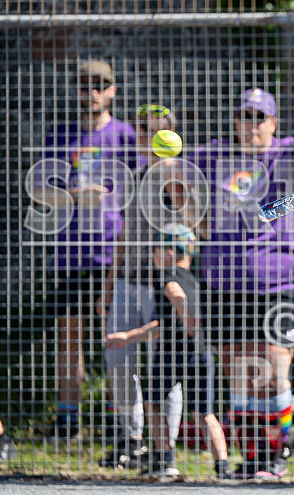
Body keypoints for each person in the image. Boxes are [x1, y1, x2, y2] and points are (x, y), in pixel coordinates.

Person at [191, 86, 294, 479]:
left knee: (274, 368)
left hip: (283, 278)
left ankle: (276, 454)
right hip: (224, 280)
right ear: (235, 121)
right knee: (238, 372)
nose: (251, 124)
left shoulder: (290, 154)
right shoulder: (213, 156)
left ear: (273, 123)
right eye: (245, 115)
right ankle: (253, 457)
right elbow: (175, 178)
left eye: (259, 117)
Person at [38, 60, 136, 442]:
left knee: (116, 338)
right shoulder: (59, 136)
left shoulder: (127, 136)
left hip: (113, 256)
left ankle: (121, 426)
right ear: (76, 91)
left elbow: (142, 193)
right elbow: (41, 193)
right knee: (69, 338)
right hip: (69, 254)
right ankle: (68, 421)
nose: (92, 92)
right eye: (85, 86)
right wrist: (78, 196)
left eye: (100, 85)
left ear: (113, 91)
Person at [96, 104, 188, 469]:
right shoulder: (132, 176)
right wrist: (108, 283)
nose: (150, 138)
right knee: (118, 361)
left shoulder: (178, 176)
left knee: (165, 367)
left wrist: (169, 172)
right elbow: (123, 232)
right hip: (125, 280)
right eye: (145, 131)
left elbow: (188, 220)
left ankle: (165, 449)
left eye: (158, 131)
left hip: (162, 285)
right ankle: (132, 440)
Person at [104, 224, 229, 479]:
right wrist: (127, 337)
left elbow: (176, 295)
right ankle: (224, 467)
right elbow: (162, 326)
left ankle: (165, 459)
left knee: (152, 402)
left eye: (156, 250)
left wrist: (186, 317)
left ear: (170, 252)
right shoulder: (197, 281)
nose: (153, 255)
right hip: (201, 353)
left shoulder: (167, 275)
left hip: (172, 354)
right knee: (205, 413)